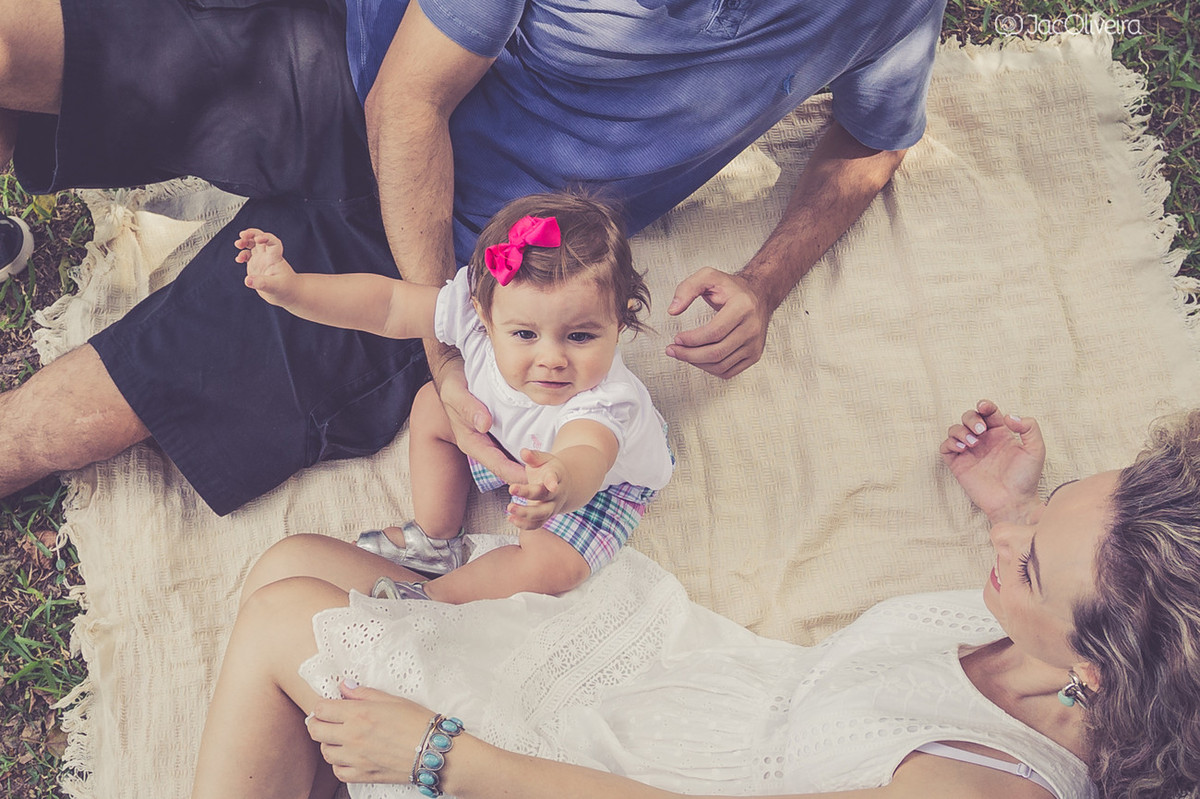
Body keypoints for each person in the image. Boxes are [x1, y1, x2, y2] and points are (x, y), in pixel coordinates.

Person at [0, 0, 945, 516]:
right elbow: (408, 104)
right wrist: (443, 354)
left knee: (59, 426)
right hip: (350, 57)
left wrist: (767, 281)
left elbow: (873, 137)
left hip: (494, 254)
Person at [189, 399, 1200, 798]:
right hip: (686, 675)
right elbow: (1061, 577)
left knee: (287, 617)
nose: (1013, 542)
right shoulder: (1091, 644)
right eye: (1060, 502)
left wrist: (443, 753)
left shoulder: (981, 790)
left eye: (1029, 562)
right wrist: (1015, 509)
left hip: (612, 774)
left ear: (1097, 667)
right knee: (296, 562)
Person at [236, 192, 673, 602]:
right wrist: (294, 290)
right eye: (524, 334)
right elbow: (387, 304)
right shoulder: (472, 310)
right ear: (483, 315)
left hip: (591, 484)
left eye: (580, 336)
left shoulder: (607, 400)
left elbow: (588, 450)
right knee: (431, 404)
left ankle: (434, 600)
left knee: (553, 565)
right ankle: (435, 538)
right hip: (507, 435)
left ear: (621, 322)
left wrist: (559, 483)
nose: (551, 359)